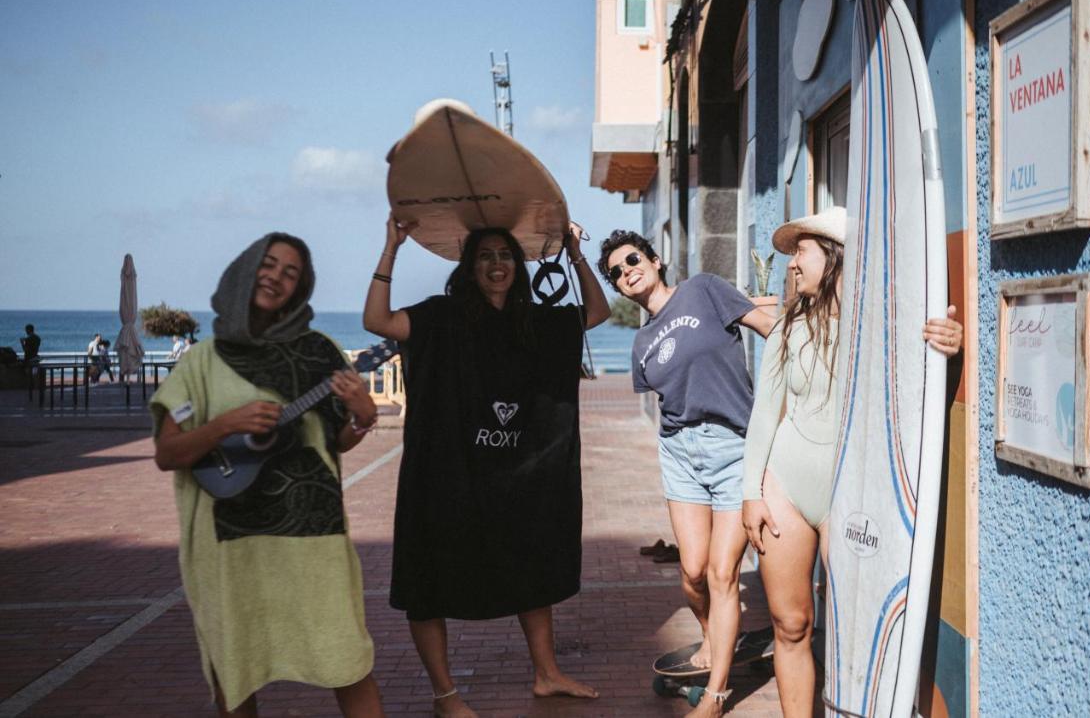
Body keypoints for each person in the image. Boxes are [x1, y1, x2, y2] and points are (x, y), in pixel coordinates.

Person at [364, 216, 610, 717]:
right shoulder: (441, 316)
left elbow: (598, 311)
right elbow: (378, 322)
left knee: (533, 567)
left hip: (519, 477)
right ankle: (445, 695)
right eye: (485, 256)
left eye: (505, 256)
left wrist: (575, 251)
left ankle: (547, 674)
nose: (497, 265)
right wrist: (391, 247)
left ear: (517, 267)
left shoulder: (537, 321)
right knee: (428, 580)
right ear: (469, 267)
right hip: (447, 476)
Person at [150, 233, 385, 718]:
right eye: (269, 264)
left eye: (290, 272)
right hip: (232, 544)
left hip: (314, 536)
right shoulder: (201, 360)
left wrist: (363, 414)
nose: (276, 277)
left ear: (301, 289)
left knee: (348, 658)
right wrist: (225, 425)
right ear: (244, 269)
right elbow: (168, 453)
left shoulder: (320, 351)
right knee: (236, 668)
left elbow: (335, 441)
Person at [740, 207, 962, 716]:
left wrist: (953, 348)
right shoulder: (788, 330)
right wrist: (751, 493)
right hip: (787, 488)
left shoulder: (889, 328)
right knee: (791, 622)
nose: (792, 265)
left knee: (862, 626)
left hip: (856, 494)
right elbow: (763, 419)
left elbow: (919, 396)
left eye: (801, 252)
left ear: (836, 257)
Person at [597, 230, 776, 718]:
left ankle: (716, 695)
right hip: (679, 452)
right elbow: (667, 403)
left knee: (723, 573)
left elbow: (772, 330)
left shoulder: (704, 289)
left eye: (632, 259)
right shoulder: (640, 344)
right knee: (693, 572)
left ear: (655, 259)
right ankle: (712, 636)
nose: (626, 270)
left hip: (731, 444)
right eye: (615, 271)